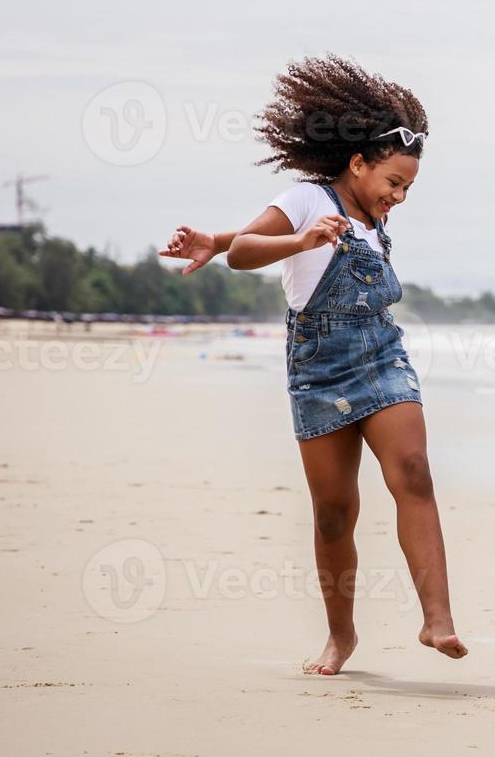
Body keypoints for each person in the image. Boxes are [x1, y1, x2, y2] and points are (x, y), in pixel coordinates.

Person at [159, 55, 467, 675]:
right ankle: (341, 635)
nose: (398, 197)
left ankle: (438, 619)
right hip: (318, 369)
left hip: (381, 354)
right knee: (334, 513)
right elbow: (246, 251)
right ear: (358, 162)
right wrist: (285, 242)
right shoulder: (304, 198)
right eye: (394, 183)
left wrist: (220, 240)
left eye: (408, 189)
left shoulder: (374, 222)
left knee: (414, 470)